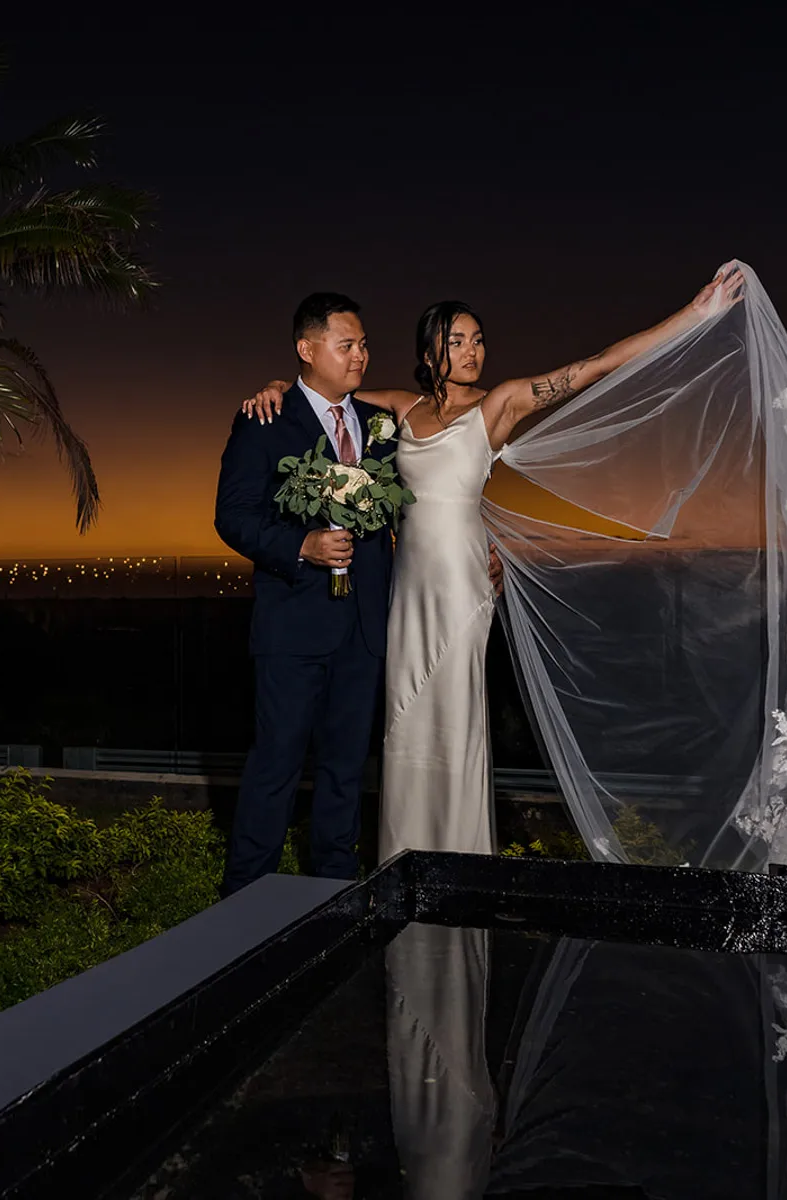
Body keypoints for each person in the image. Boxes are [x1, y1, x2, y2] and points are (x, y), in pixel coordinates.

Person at [240, 267, 746, 861]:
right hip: (406, 592)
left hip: (461, 583)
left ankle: (457, 861)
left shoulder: (499, 404)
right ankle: (405, 862)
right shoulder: (398, 409)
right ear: (430, 348)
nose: (472, 350)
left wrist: (692, 315)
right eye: (457, 340)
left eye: (478, 338)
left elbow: (597, 365)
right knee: (404, 721)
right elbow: (319, 396)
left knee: (455, 719)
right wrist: (276, 383)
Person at [211, 293, 395, 896]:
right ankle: (244, 902)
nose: (360, 356)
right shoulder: (265, 417)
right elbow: (232, 517)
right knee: (276, 767)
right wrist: (302, 547)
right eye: (347, 346)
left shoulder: (377, 425)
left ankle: (335, 894)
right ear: (307, 349)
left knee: (346, 772)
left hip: (363, 629)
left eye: (364, 344)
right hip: (293, 627)